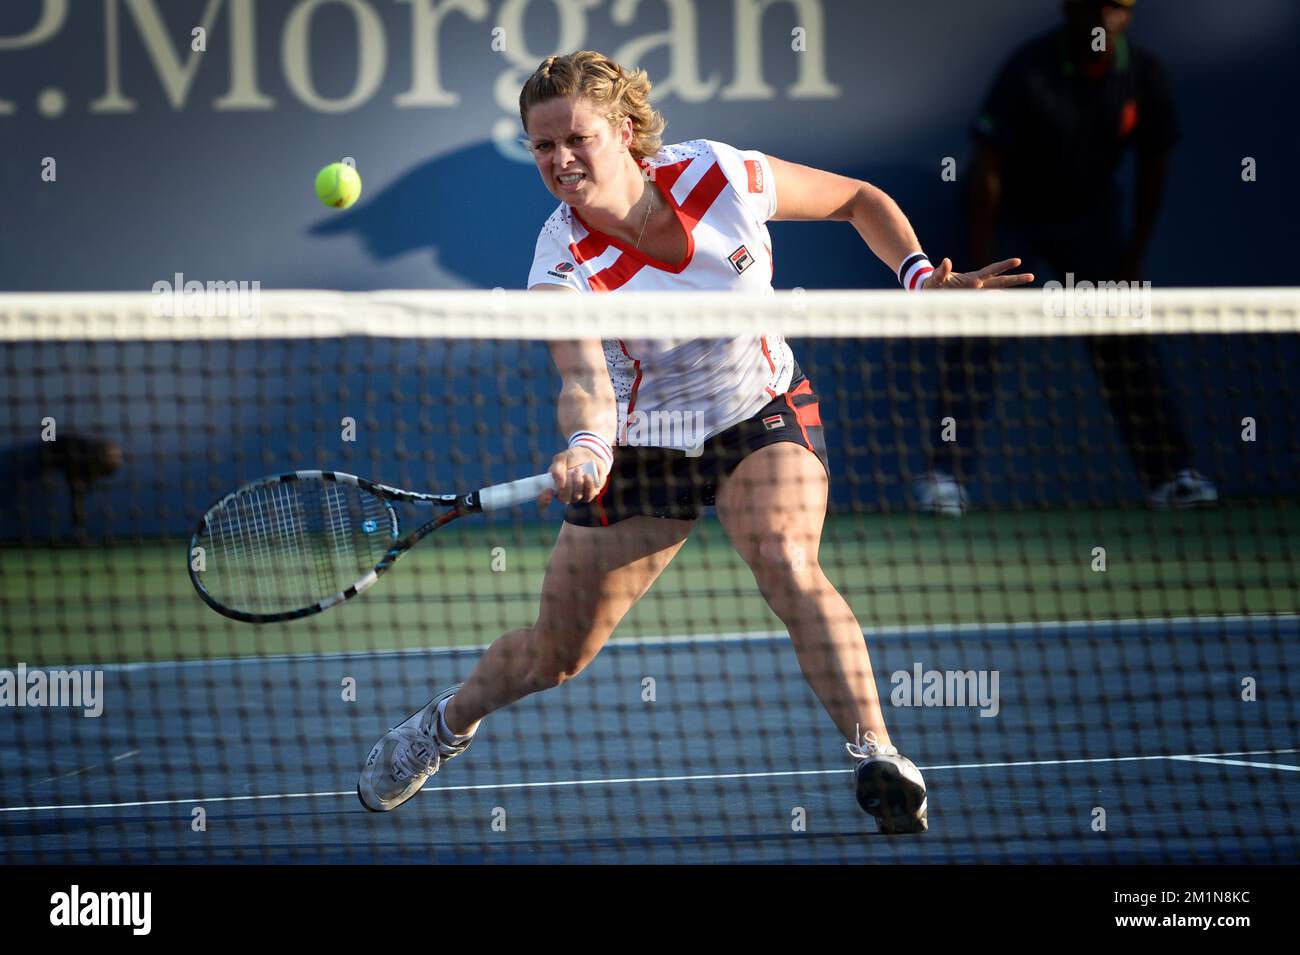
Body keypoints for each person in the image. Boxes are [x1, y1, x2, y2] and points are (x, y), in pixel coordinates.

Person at [358, 50, 1031, 834]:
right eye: (542, 147)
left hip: (758, 409)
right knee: (556, 656)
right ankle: (445, 724)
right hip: (643, 444)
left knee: (785, 558)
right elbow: (584, 379)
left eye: (577, 138)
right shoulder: (562, 260)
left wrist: (918, 275)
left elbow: (854, 199)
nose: (560, 160)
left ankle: (877, 751)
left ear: (625, 129)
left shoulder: (720, 175)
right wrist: (586, 445)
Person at [917, 0, 1218, 517]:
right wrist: (982, 268)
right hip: (1013, 216)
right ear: (1070, 9)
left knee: (1125, 344)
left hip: (1088, 222)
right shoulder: (1027, 68)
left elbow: (1153, 167)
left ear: (1130, 14)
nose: (1106, 18)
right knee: (975, 345)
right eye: (1096, 5)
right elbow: (987, 169)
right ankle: (945, 478)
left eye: (1118, 7)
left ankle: (1170, 475)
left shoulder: (1144, 75)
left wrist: (1133, 256)